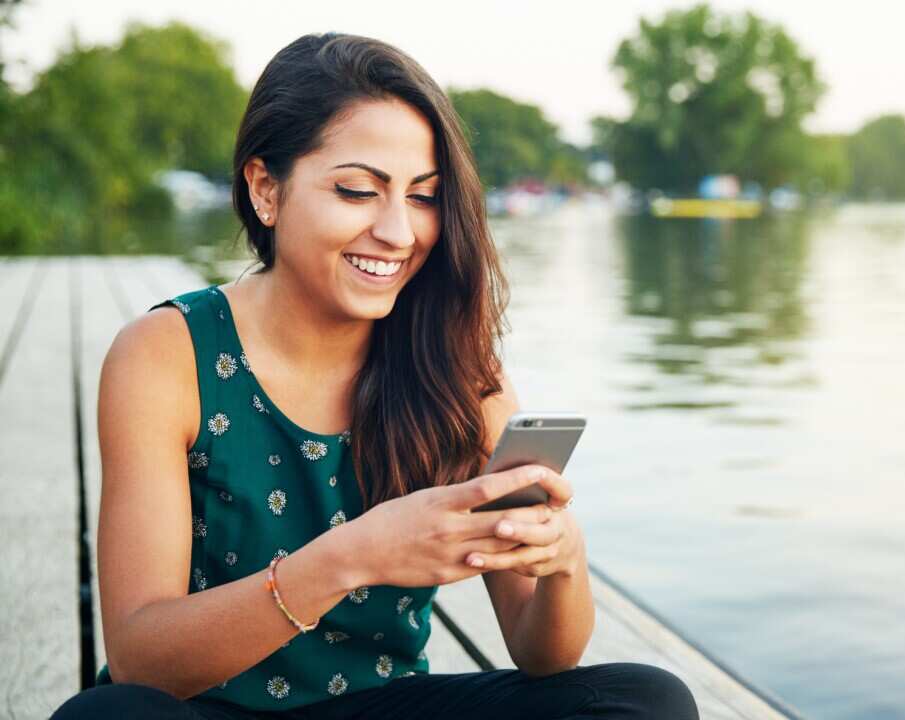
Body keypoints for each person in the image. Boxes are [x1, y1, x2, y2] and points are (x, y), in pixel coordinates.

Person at [51, 31, 698, 720]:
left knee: (647, 700)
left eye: (423, 197)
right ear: (266, 189)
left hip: (383, 708)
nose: (398, 231)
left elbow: (543, 655)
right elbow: (140, 659)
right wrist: (351, 557)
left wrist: (564, 558)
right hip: (204, 711)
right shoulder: (165, 355)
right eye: (359, 190)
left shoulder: (458, 373)